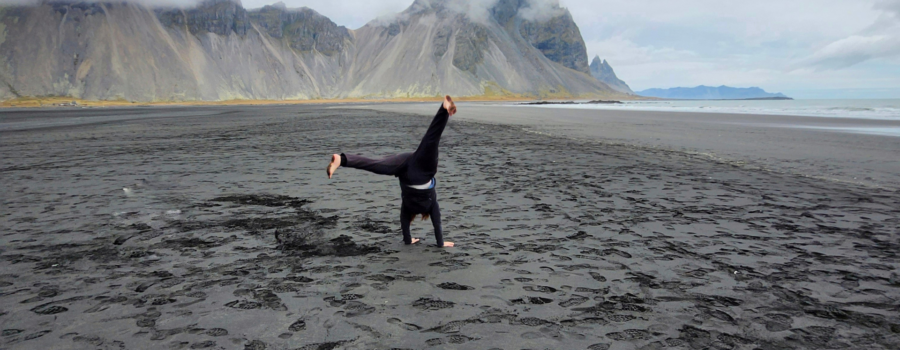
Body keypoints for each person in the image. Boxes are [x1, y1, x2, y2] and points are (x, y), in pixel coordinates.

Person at [326, 96, 457, 248]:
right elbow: (405, 224)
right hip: (409, 173)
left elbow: (437, 223)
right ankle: (342, 161)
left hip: (418, 170)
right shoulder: (408, 207)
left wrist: (440, 242)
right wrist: (413, 240)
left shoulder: (430, 205)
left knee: (430, 141)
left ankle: (444, 109)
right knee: (377, 165)